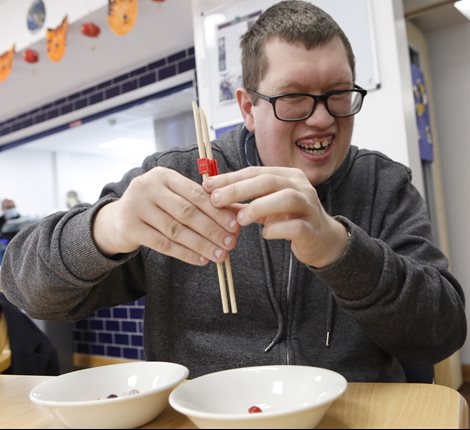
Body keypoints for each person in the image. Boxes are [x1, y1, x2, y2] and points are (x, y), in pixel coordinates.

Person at [0, 1, 466, 381]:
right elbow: (27, 289)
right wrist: (109, 226)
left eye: (338, 93)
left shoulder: (383, 184)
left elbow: (442, 332)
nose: (322, 118)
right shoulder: (180, 176)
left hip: (346, 413)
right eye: (293, 98)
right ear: (248, 107)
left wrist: (339, 249)